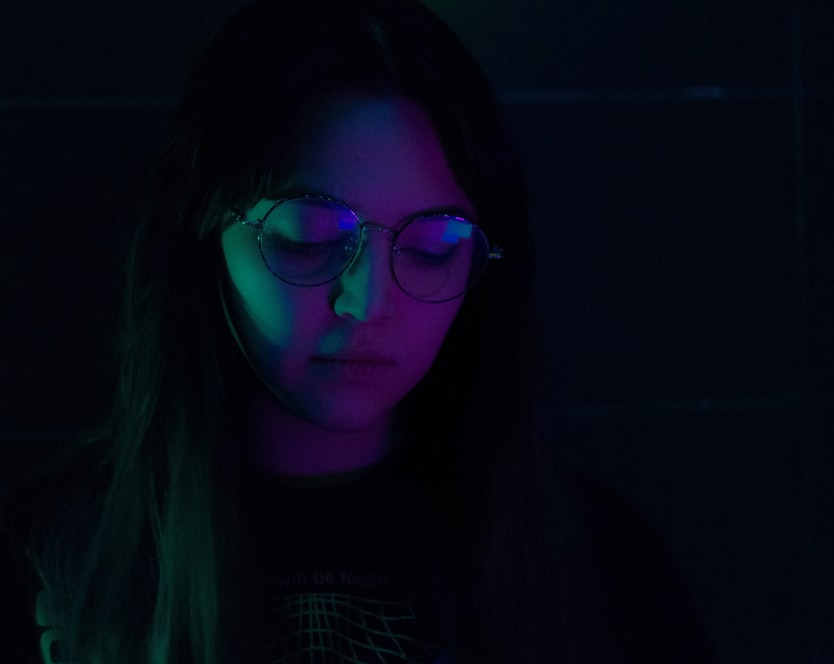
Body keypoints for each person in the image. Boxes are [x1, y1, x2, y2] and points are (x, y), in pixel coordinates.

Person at [0, 0, 716, 662]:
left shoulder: (596, 565)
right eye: (310, 238)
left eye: (432, 246)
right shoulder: (48, 563)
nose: (368, 301)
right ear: (204, 233)